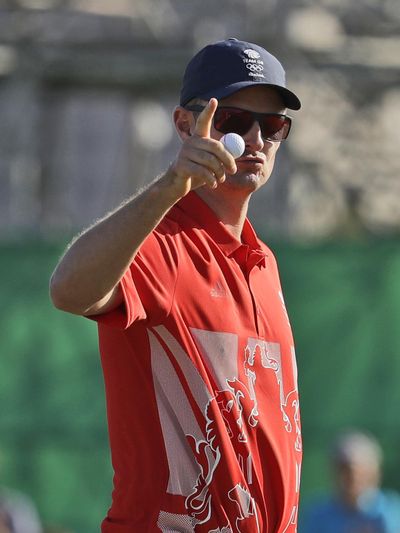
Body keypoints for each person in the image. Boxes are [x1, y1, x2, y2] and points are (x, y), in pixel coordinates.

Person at [50, 38, 302, 532]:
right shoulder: (161, 239)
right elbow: (69, 291)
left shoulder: (264, 262)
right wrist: (170, 185)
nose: (255, 139)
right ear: (185, 126)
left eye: (272, 126)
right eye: (232, 121)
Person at [300, 429, 400, 533]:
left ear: (375, 472)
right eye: (342, 469)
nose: (350, 478)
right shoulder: (317, 515)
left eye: (357, 471)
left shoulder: (391, 513)